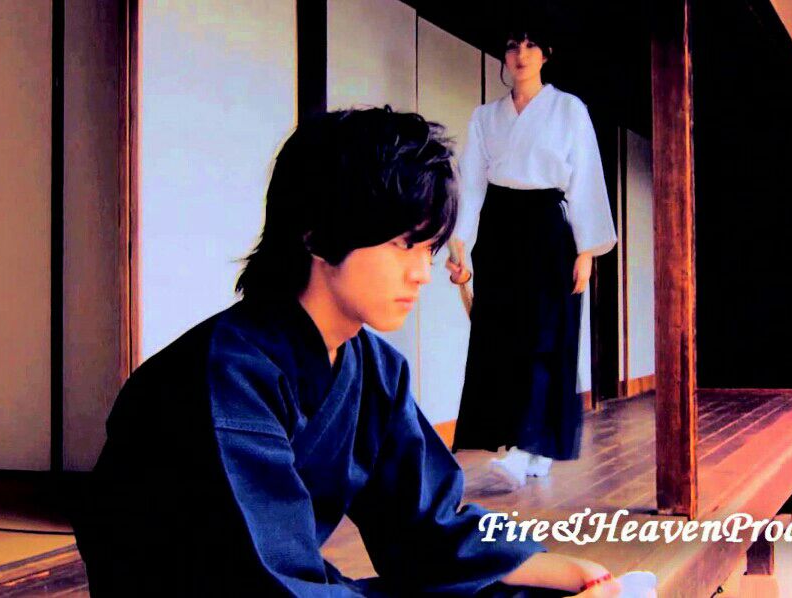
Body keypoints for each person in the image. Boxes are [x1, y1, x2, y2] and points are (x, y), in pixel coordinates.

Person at [73, 108, 620, 597]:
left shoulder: (376, 370)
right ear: (316, 234)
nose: (421, 272)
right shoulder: (228, 377)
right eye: (404, 243)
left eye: (430, 248)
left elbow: (425, 525)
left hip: (278, 584)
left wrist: (564, 570)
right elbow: (267, 580)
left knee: (516, 591)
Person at [447, 26, 617, 490]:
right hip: (499, 230)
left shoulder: (568, 109)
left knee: (545, 336)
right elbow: (472, 184)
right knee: (502, 337)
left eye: (531, 45)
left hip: (548, 231)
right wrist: (460, 244)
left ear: (547, 54)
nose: (520, 54)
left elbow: (585, 178)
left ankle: (526, 449)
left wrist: (587, 250)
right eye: (512, 46)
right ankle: (523, 445)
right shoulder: (485, 117)